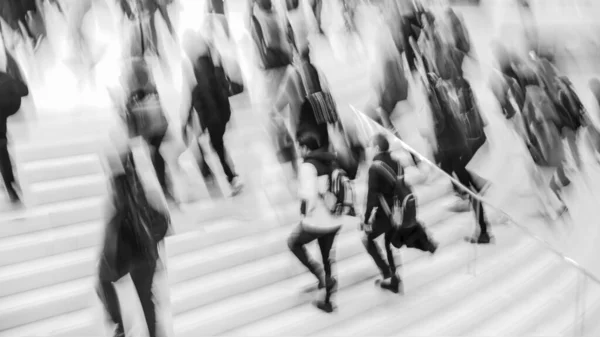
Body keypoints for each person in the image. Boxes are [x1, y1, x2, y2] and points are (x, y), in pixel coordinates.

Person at [96, 126, 171, 337]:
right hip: (144, 253)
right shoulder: (141, 181)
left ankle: (119, 326)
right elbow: (162, 219)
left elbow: (112, 226)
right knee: (147, 300)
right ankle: (145, 332)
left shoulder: (120, 191)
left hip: (127, 254)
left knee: (102, 281)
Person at [183, 32, 243, 195]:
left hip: (212, 115)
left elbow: (199, 94)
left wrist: (191, 119)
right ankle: (216, 173)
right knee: (216, 145)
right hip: (218, 113)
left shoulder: (198, 69)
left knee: (217, 147)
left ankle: (231, 177)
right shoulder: (211, 64)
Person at [287, 130, 341, 313]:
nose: (298, 150)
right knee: (327, 257)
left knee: (294, 243)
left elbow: (308, 196)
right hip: (335, 219)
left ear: (305, 147)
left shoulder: (307, 166)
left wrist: (304, 215)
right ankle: (327, 298)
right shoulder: (331, 160)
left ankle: (321, 276)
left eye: (299, 147)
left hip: (318, 220)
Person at [361, 134, 402, 293]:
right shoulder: (397, 163)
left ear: (377, 148)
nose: (369, 149)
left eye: (371, 146)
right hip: (397, 211)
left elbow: (372, 196)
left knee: (368, 239)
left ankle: (387, 273)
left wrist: (366, 219)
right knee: (389, 244)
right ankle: (394, 278)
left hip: (385, 214)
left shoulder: (375, 167)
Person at [0, 68, 29, 203]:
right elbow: (23, 91)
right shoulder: (5, 77)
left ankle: (10, 185)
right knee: (2, 153)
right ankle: (10, 185)